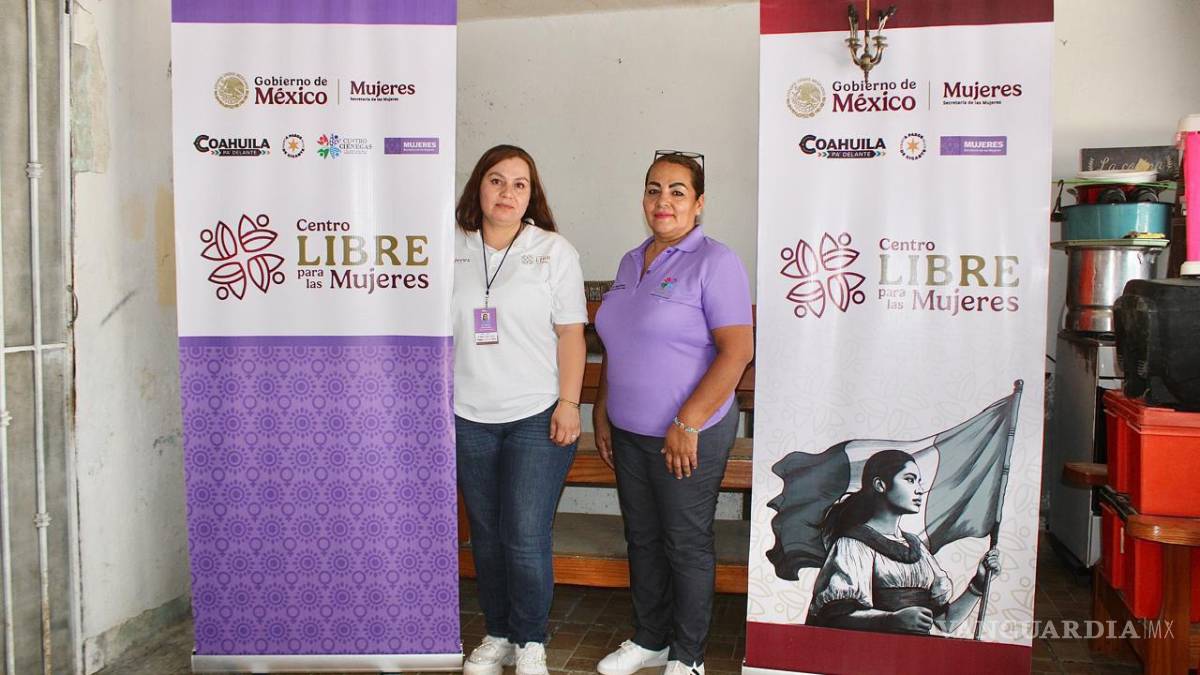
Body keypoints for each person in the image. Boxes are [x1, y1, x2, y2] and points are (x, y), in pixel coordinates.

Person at [593, 152, 754, 675]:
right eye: (654, 189)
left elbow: (738, 351)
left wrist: (687, 422)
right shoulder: (629, 261)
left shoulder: (716, 261)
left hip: (688, 433)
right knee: (641, 538)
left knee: (684, 542)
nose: (664, 201)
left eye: (678, 191)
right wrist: (602, 410)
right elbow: (618, 343)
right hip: (629, 431)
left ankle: (688, 657)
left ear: (699, 203)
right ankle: (651, 639)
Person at [452, 145, 587, 675]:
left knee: (525, 535)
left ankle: (531, 640)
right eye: (496, 180)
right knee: (486, 536)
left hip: (536, 414)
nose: (506, 192)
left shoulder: (552, 250)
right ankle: (499, 633)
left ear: (532, 195)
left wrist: (569, 403)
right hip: (468, 416)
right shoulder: (450, 246)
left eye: (519, 184)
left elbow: (571, 334)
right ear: (478, 187)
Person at [805, 449, 1002, 635]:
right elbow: (834, 619)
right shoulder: (853, 545)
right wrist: (890, 620)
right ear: (880, 485)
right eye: (910, 479)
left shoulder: (918, 548)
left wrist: (978, 584)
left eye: (919, 482)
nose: (920, 490)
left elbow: (944, 623)